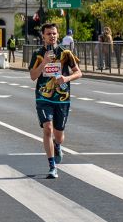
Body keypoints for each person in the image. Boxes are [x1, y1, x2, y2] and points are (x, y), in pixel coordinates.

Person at [28, 22, 82, 180]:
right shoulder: (38, 53)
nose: (52, 36)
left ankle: (57, 146)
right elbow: (33, 76)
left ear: (58, 35)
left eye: (54, 33)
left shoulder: (66, 53)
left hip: (62, 98)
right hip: (43, 97)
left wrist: (67, 78)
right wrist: (44, 62)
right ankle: (52, 166)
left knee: (59, 135)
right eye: (48, 34)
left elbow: (79, 73)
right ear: (43, 36)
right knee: (47, 129)